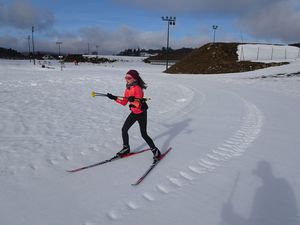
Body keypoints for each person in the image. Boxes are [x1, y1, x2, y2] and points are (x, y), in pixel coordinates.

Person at [107, 69, 161, 161]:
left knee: (143, 134)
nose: (126, 79)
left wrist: (133, 101)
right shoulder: (128, 89)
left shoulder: (138, 89)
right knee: (124, 130)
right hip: (134, 113)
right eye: (126, 77)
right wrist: (114, 98)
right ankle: (126, 148)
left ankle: (155, 150)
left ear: (134, 79)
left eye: (128, 77)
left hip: (141, 113)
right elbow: (124, 102)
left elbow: (139, 105)